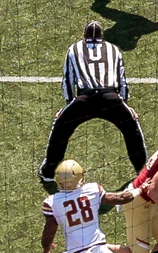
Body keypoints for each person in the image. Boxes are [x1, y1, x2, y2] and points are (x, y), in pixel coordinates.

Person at [41, 17, 147, 178]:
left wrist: (68, 105)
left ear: (84, 35)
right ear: (102, 35)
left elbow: (68, 80)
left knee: (60, 130)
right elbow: (122, 80)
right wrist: (125, 104)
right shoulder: (114, 49)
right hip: (111, 98)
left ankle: (48, 172)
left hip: (85, 99)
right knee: (132, 130)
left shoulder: (73, 49)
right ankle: (143, 172)